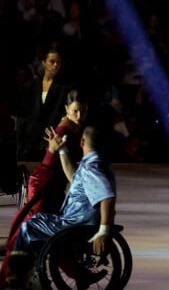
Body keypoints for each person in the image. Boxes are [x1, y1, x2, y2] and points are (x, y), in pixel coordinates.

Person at [8, 125, 115, 281]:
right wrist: (63, 150)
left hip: (76, 224)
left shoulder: (92, 168)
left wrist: (103, 231)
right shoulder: (97, 163)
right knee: (37, 222)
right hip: (77, 220)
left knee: (27, 227)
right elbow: (74, 177)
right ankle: (34, 271)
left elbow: (107, 197)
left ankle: (19, 276)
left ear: (82, 142)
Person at [16, 45, 72, 162]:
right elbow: (22, 116)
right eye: (52, 61)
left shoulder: (64, 89)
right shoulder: (30, 86)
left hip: (48, 141)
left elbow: (63, 114)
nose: (55, 65)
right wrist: (20, 143)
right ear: (44, 63)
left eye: (58, 62)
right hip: (29, 141)